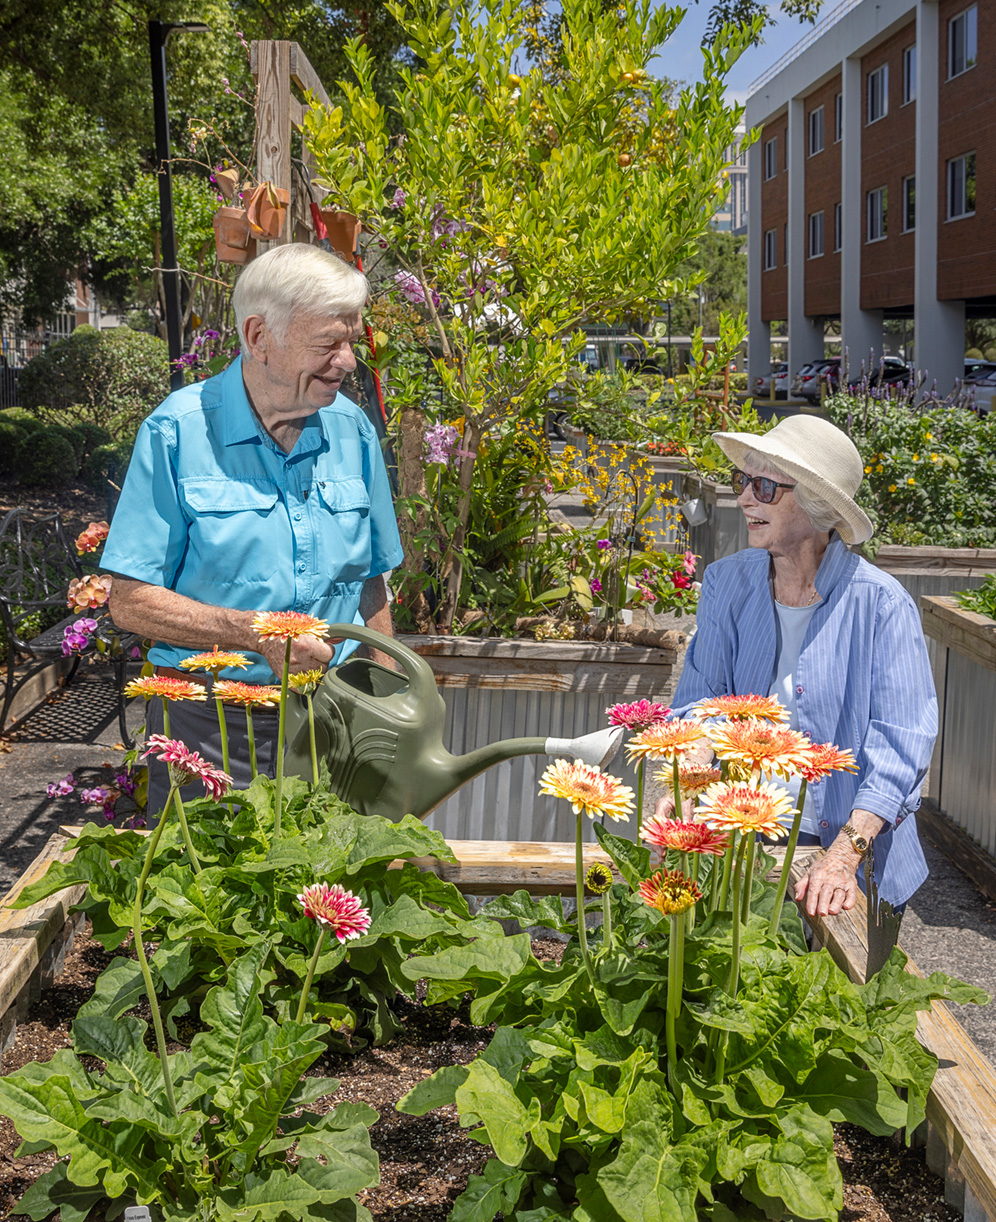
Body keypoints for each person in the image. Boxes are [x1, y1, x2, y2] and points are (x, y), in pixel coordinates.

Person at [102, 243, 403, 811]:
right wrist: (250, 632)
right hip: (209, 724)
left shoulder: (352, 430)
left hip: (331, 717)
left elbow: (370, 580)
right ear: (259, 337)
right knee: (206, 891)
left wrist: (386, 698)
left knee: (329, 889)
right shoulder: (177, 433)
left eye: (350, 342)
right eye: (327, 345)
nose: (347, 361)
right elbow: (131, 601)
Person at [667, 415, 936, 919]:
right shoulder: (727, 583)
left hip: (848, 851)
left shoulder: (882, 605)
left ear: (816, 504)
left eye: (765, 486)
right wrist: (687, 782)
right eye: (742, 482)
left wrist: (841, 857)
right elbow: (699, 703)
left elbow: (900, 751)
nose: (745, 498)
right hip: (739, 833)